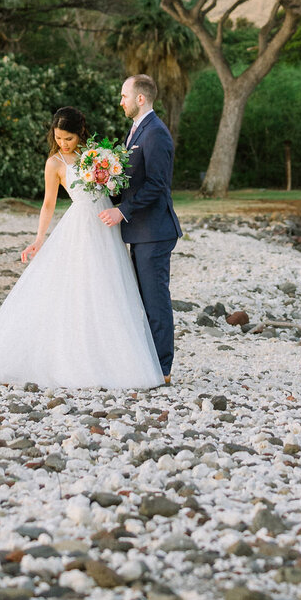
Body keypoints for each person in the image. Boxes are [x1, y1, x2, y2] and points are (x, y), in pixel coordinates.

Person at [0, 106, 162, 391]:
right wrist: (38, 238)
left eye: (68, 138)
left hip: (106, 223)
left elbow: (114, 188)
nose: (63, 143)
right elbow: (48, 203)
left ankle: (114, 356)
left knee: (110, 287)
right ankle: (72, 357)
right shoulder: (55, 163)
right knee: (78, 286)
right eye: (58, 138)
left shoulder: (96, 154)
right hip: (80, 224)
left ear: (80, 133)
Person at [98, 74, 183, 383]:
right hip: (142, 231)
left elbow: (158, 185)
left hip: (156, 231)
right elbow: (131, 180)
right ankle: (147, 362)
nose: (121, 101)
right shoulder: (135, 131)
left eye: (124, 96)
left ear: (140, 99)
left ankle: (163, 370)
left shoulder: (156, 133)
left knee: (155, 299)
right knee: (142, 299)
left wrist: (123, 210)